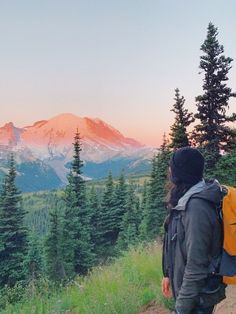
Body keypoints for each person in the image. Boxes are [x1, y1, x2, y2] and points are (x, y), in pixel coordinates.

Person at [162, 147, 226, 314]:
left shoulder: (196, 208)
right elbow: (174, 241)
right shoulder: (184, 198)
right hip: (190, 293)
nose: (169, 170)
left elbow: (197, 265)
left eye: (172, 167)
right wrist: (167, 273)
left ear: (180, 172)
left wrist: (181, 309)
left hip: (196, 299)